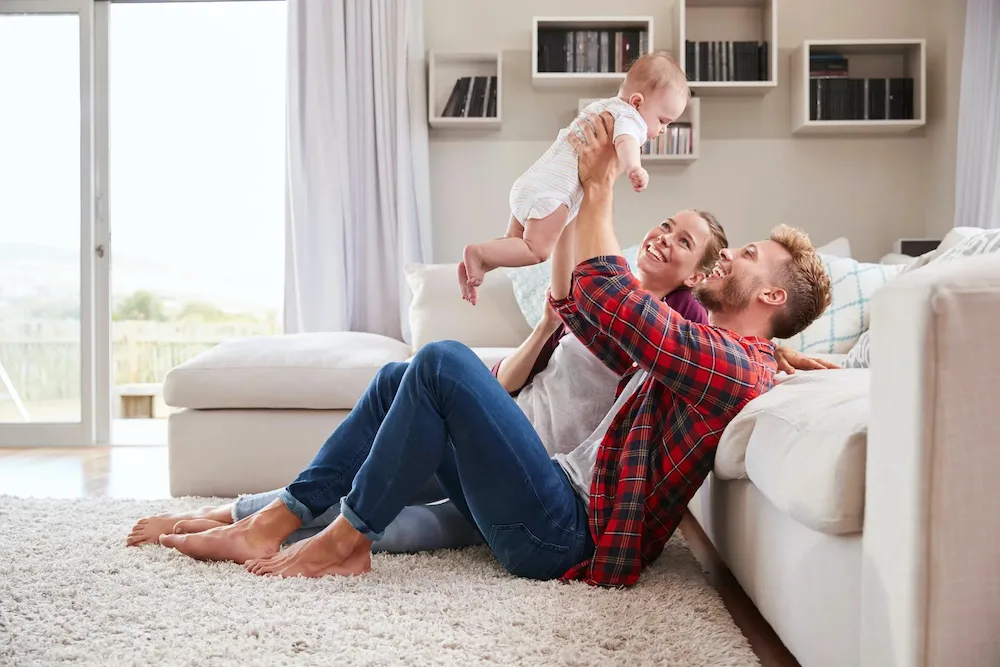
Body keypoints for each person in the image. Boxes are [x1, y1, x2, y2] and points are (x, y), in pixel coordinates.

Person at [153, 110, 832, 588]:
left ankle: (342, 540)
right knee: (402, 376)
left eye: (746, 256)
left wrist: (597, 188)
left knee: (444, 360)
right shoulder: (729, 354)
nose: (730, 259)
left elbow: (628, 315)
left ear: (770, 299)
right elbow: (607, 316)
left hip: (567, 534)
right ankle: (276, 518)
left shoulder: (733, 362)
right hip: (546, 491)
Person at [457, 51, 690, 305]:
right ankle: (478, 253)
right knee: (536, 251)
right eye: (663, 120)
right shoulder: (629, 118)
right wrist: (635, 167)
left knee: (514, 244)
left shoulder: (601, 107)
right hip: (553, 195)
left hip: (532, 183)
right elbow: (627, 141)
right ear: (637, 102)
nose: (663, 129)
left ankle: (476, 264)